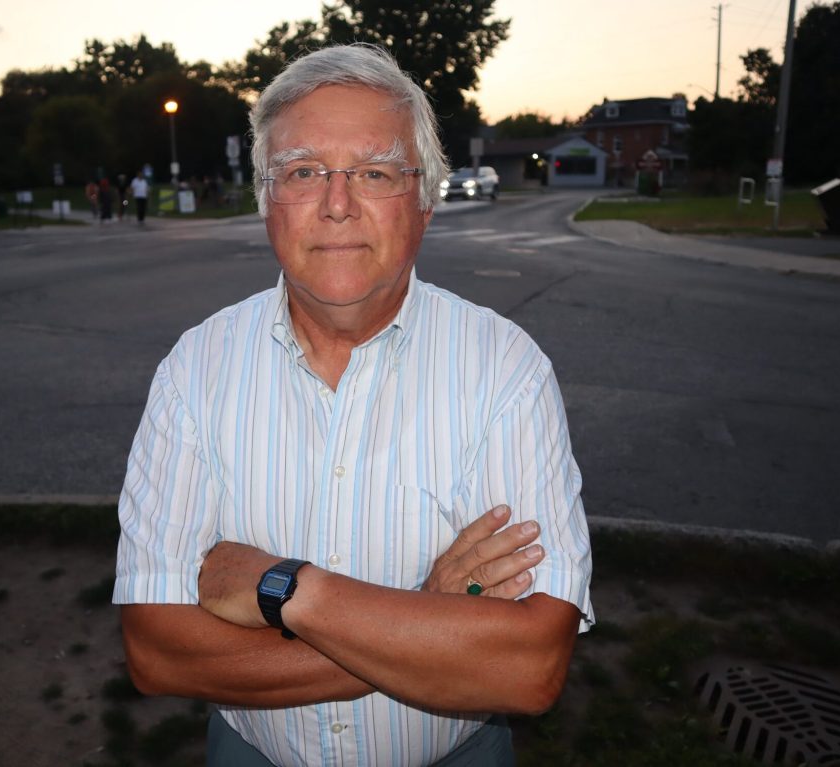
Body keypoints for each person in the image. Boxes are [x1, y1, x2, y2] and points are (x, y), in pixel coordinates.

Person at [114, 44, 593, 766]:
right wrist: (428, 614)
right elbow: (156, 652)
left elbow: (529, 666)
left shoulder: (506, 369)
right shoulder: (195, 370)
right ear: (266, 199)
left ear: (425, 200)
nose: (337, 205)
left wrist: (290, 590)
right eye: (304, 171)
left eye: (374, 172)